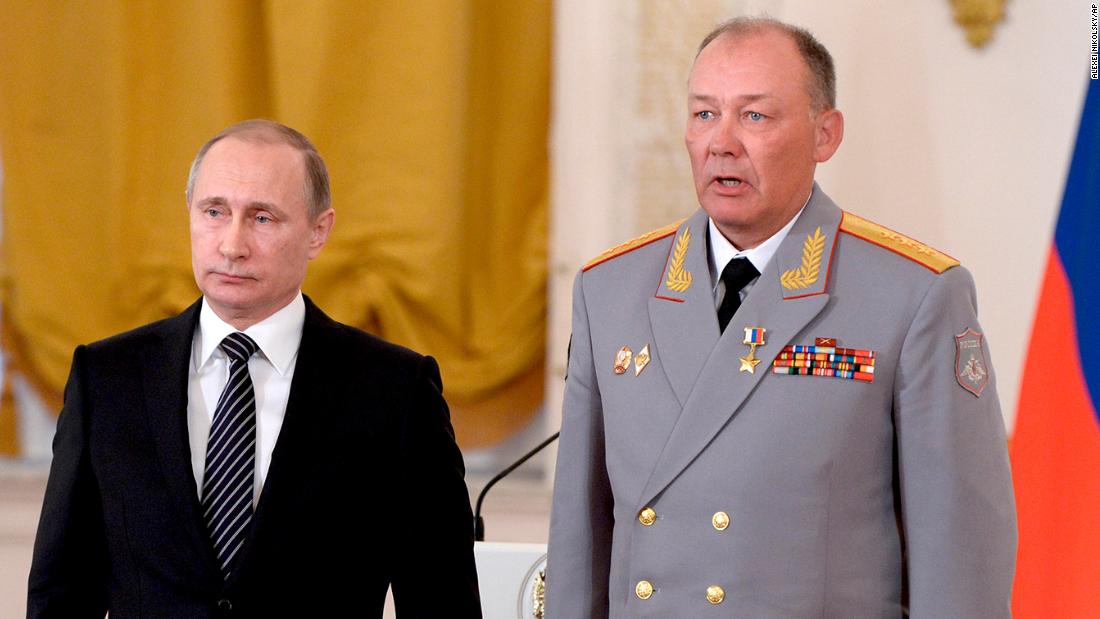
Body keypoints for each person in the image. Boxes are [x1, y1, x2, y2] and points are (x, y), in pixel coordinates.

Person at [546, 17, 1016, 618]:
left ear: (825, 134)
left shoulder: (913, 295)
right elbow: (579, 540)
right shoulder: (610, 290)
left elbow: (961, 561)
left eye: (755, 115)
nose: (721, 143)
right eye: (704, 113)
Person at [28, 119, 482, 617]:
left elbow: (444, 599)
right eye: (214, 212)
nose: (232, 245)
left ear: (318, 232)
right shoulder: (106, 378)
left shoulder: (395, 390)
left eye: (262, 218)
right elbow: (61, 592)